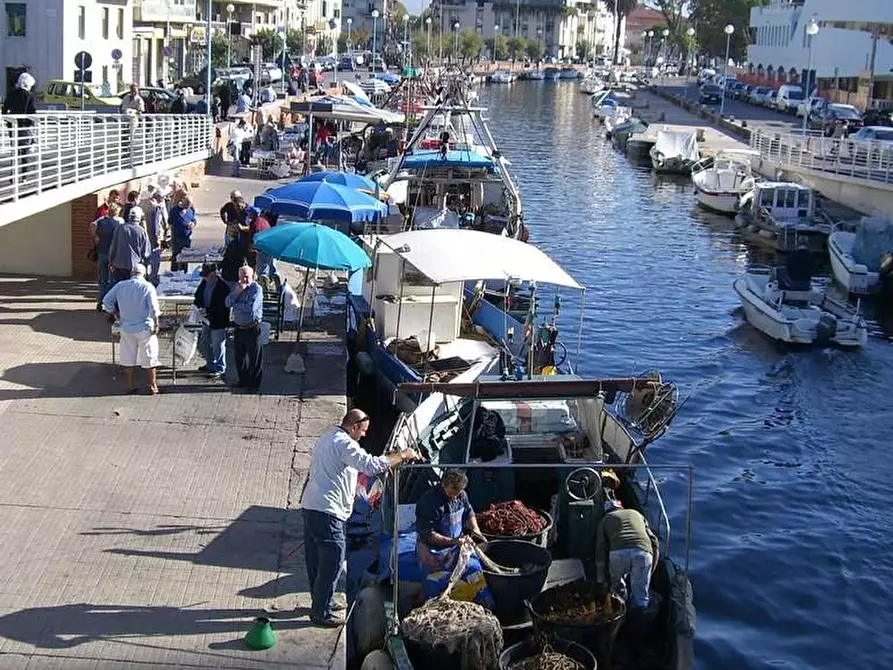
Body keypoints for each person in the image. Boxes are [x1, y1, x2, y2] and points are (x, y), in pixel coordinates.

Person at [301, 410, 420, 626]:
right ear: (354, 426)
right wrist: (402, 455)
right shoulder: (346, 444)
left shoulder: (326, 438)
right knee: (334, 559)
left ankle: (321, 600)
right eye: (363, 431)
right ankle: (321, 612)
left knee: (316, 559)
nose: (364, 436)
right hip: (328, 510)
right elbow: (371, 465)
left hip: (311, 505)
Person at [414, 469, 493, 606]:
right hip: (433, 548)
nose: (455, 497)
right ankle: (433, 606)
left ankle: (477, 603)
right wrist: (453, 541)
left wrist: (476, 530)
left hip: (457, 545)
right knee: (434, 580)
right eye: (452, 492)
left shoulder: (462, 495)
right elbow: (428, 534)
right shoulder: (428, 502)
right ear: (444, 484)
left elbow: (469, 512)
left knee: (474, 570)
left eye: (458, 493)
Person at [102, 264, 161, 395]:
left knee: (128, 357)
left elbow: (106, 301)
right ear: (144, 274)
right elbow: (154, 308)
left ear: (131, 273)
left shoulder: (121, 285)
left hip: (126, 327)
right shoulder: (147, 286)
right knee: (149, 357)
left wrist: (114, 313)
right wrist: (156, 324)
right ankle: (152, 385)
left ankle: (129, 385)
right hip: (145, 328)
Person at [595, 497, 659, 610]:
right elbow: (654, 542)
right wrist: (651, 569)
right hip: (643, 552)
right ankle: (639, 619)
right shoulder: (637, 514)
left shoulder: (605, 519)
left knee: (617, 589)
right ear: (621, 507)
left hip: (618, 554)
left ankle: (619, 610)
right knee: (641, 596)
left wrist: (601, 581)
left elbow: (600, 550)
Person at [224, 266, 264, 392]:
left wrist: (236, 303)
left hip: (252, 327)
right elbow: (226, 303)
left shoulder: (256, 289)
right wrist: (236, 293)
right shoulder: (237, 287)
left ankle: (254, 385)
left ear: (252, 277)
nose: (244, 279)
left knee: (254, 359)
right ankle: (243, 380)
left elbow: (250, 308)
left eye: (247, 276)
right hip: (239, 327)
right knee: (239, 358)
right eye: (242, 276)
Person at [193, 263, 231, 378]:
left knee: (217, 344)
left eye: (207, 276)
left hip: (218, 321)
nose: (204, 279)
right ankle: (210, 364)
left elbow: (221, 306)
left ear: (213, 274)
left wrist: (207, 311)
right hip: (206, 319)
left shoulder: (223, 287)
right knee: (205, 342)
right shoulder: (204, 282)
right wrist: (198, 306)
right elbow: (198, 295)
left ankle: (220, 368)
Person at [108, 207, 151, 285]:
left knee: (119, 289)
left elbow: (113, 246)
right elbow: (146, 252)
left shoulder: (120, 228)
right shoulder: (142, 231)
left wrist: (111, 261)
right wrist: (145, 267)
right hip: (135, 267)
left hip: (119, 265)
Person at [92, 203, 123, 309]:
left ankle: (100, 302)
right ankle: (108, 303)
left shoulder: (101, 221)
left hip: (102, 252)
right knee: (111, 279)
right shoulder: (118, 224)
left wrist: (96, 236)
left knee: (102, 279)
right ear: (117, 212)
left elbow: (92, 225)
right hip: (112, 255)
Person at [2, 72, 37, 162]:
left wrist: (8, 121)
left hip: (12, 124)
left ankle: (13, 171)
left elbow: (4, 109)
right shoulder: (29, 95)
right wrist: (33, 125)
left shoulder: (11, 93)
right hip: (24, 126)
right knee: (25, 150)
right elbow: (32, 112)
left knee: (15, 148)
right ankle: (24, 173)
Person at [146, 191, 169, 284]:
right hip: (154, 237)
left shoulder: (143, 203)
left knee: (146, 258)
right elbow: (156, 224)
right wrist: (158, 237)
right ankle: (153, 278)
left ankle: (145, 276)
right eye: (162, 198)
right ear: (158, 197)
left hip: (144, 236)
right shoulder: (156, 207)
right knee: (155, 259)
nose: (163, 200)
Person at [169, 196, 196, 272]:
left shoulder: (190, 210)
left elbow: (194, 219)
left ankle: (184, 272)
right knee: (176, 256)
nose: (188, 206)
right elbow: (170, 222)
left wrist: (193, 224)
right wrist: (183, 225)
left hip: (187, 238)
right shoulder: (174, 210)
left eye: (189, 205)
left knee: (185, 256)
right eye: (187, 204)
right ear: (183, 201)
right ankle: (174, 273)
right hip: (177, 238)